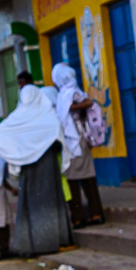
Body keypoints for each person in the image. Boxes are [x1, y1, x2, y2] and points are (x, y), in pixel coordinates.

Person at [0, 84, 73, 255]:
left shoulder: (16, 119)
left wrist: (20, 154)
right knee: (51, 203)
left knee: (31, 205)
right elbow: (59, 138)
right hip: (48, 166)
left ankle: (31, 245)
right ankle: (56, 241)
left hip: (29, 170)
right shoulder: (49, 116)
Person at [52, 62, 104, 228]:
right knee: (85, 178)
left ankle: (80, 217)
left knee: (76, 180)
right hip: (75, 141)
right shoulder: (67, 93)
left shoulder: (67, 93)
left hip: (74, 140)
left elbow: (79, 106)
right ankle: (91, 214)